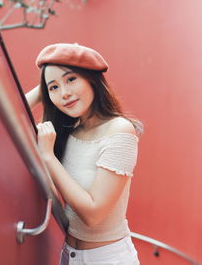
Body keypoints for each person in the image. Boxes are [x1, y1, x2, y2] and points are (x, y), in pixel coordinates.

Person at [25, 43, 142, 265]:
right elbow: (4, 116)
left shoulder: (119, 130)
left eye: (71, 79)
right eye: (54, 88)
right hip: (69, 255)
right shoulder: (68, 131)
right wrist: (43, 89)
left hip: (108, 259)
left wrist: (48, 157)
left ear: (91, 79)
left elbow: (93, 214)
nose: (65, 93)